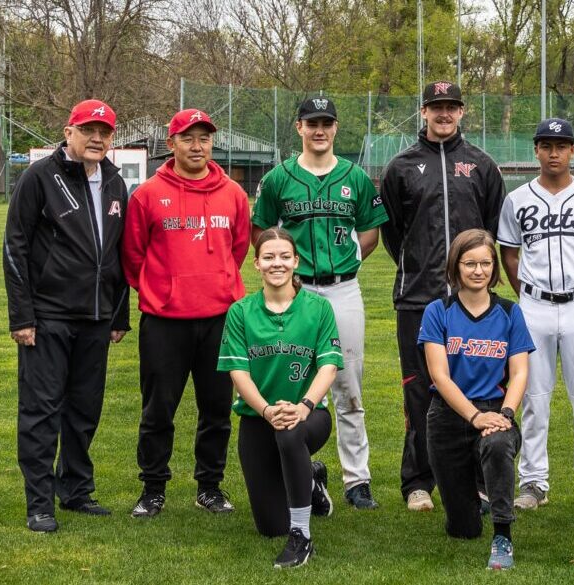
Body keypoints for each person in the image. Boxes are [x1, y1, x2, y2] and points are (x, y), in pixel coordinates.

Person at [252, 97, 387, 510]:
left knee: (348, 385)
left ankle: (357, 479)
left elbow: (370, 232)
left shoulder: (355, 177)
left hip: (343, 289)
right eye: (312, 123)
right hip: (298, 291)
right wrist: (285, 273)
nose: (319, 130)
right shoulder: (278, 179)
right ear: (299, 127)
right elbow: (262, 233)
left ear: (335, 128)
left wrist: (347, 262)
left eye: (326, 123)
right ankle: (302, 470)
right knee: (294, 380)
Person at [3, 99, 130, 532]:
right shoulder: (39, 177)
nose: (97, 138)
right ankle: (40, 503)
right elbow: (15, 247)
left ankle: (75, 490)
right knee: (41, 411)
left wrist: (117, 314)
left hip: (95, 319)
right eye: (88, 130)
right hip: (48, 316)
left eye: (104, 132)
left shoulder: (114, 182)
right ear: (68, 131)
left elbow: (119, 255)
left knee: (84, 410)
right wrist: (22, 316)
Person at [380, 80, 506, 512]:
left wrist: (470, 277)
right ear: (424, 112)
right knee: (419, 390)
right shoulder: (401, 167)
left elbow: (490, 229)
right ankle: (418, 481)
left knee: (476, 385)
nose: (444, 113)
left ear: (462, 111)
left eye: (451, 106)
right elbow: (393, 232)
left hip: (471, 302)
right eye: (436, 107)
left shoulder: (482, 165)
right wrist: (418, 265)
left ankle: (477, 480)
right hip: (417, 299)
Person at [121, 109, 250, 518]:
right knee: (158, 409)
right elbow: (133, 256)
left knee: (217, 409)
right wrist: (164, 291)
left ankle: (209, 486)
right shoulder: (147, 195)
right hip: (164, 322)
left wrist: (215, 285)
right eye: (188, 138)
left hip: (220, 319)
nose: (197, 146)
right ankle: (153, 488)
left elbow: (237, 250)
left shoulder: (233, 193)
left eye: (204, 138)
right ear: (171, 143)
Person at [497, 118, 574, 513]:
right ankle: (533, 481)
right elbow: (509, 253)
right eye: (546, 145)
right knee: (533, 397)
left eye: (561, 146)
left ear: (573, 150)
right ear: (536, 150)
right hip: (534, 307)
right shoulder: (517, 199)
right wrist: (526, 295)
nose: (553, 153)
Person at [217, 228, 341, 568]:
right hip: (258, 419)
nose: (277, 263)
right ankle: (310, 479)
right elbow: (238, 372)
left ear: (296, 261)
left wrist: (303, 407)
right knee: (271, 526)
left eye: (285, 256)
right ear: (256, 263)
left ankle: (301, 535)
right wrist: (267, 410)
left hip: (309, 417)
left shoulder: (318, 308)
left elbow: (329, 366)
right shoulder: (241, 311)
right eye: (269, 257)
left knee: (289, 434)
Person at [418, 229, 534, 570]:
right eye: (470, 264)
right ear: (456, 266)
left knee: (497, 445)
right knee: (463, 529)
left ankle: (502, 535)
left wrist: (506, 414)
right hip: (448, 416)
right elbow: (440, 376)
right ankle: (476, 498)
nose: (478, 270)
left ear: (494, 266)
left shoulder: (510, 312)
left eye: (485, 263)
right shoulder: (438, 311)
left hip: (495, 412)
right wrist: (473, 416)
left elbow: (520, 373)